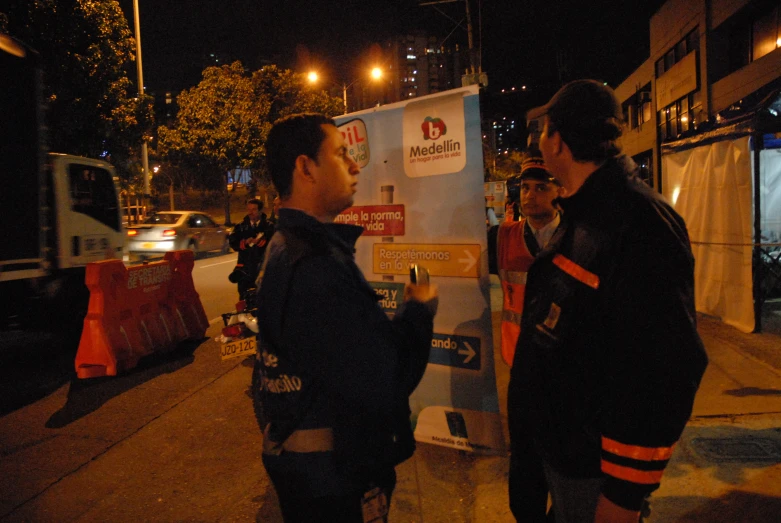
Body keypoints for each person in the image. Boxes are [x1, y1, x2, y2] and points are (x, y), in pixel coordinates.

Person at [508, 80, 708, 523]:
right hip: (560, 458)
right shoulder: (585, 213)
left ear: (557, 142)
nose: (540, 143)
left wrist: (622, 496)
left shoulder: (637, 224)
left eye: (542, 132)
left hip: (593, 478)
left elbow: (667, 371)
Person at [254, 113, 439, 522]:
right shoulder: (316, 264)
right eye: (341, 155)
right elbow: (386, 378)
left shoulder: (286, 246)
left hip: (309, 468)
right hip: (334, 479)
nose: (356, 165)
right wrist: (420, 308)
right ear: (305, 168)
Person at [499, 148, 562, 523]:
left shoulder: (576, 236)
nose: (529, 195)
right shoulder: (505, 236)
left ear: (557, 193)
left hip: (564, 370)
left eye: (540, 187)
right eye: (525, 187)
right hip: (520, 369)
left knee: (562, 454)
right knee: (524, 459)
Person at [228, 198, 272, 300]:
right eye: (249, 209)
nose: (250, 212)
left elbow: (272, 245)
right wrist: (245, 243)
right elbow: (233, 243)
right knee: (244, 298)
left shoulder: (269, 226)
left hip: (262, 269)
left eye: (254, 209)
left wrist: (261, 242)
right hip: (244, 269)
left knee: (263, 299)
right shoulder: (240, 227)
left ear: (260, 211)